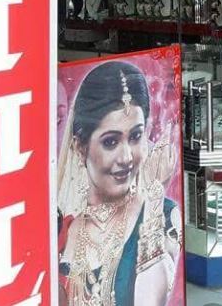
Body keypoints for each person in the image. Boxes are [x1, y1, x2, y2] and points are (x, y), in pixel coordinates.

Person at [57, 60, 180, 306]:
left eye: (135, 136)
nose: (126, 158)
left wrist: (153, 200)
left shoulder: (164, 217)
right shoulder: (63, 230)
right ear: (80, 147)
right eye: (110, 142)